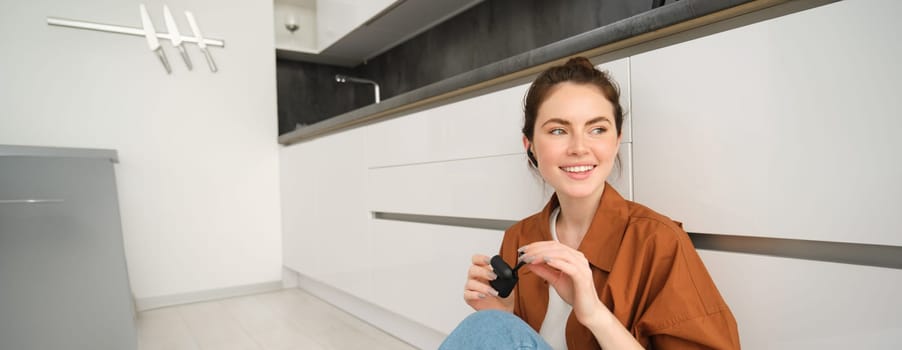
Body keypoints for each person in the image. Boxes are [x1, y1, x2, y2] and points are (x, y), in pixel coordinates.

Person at [439, 57, 740, 349]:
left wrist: (594, 314)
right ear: (529, 145)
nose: (579, 148)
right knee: (489, 326)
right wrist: (502, 315)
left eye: (597, 129)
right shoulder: (519, 239)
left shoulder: (658, 243)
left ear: (617, 139)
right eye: (558, 130)